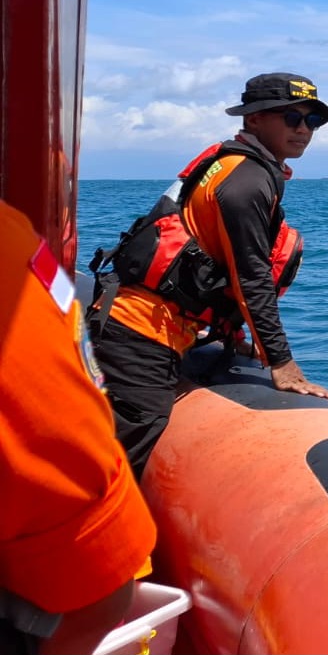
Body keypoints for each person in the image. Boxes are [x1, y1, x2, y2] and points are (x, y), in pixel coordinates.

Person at [93, 72, 328, 478]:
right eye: (291, 117)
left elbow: (213, 267)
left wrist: (233, 337)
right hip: (138, 333)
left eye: (312, 121)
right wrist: (281, 364)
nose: (303, 130)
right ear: (254, 119)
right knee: (124, 453)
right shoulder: (246, 181)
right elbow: (251, 277)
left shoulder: (236, 165)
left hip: (143, 324)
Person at [1, 198, 157, 655]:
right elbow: (97, 598)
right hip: (147, 339)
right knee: (146, 424)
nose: (302, 128)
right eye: (294, 118)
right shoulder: (11, 247)